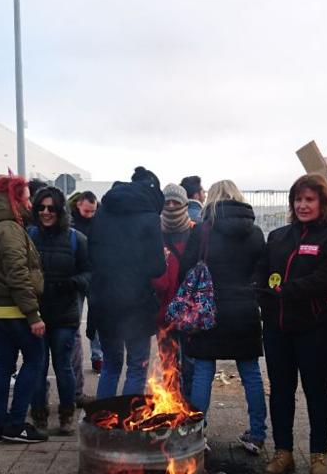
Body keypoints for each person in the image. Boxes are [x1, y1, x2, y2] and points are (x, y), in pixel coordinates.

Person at [258, 174, 327, 474]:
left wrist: (287, 290)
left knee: (317, 392)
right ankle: (283, 452)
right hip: (278, 329)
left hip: (316, 329)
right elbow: (264, 274)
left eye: (309, 199)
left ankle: (318, 454)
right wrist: (264, 296)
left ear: (323, 203)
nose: (303, 205)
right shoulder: (279, 236)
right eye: (298, 199)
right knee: (281, 392)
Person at [178, 181, 267, 452]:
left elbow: (186, 267)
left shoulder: (203, 230)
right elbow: (261, 269)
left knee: (204, 369)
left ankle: (198, 433)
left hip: (209, 309)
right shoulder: (254, 232)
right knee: (250, 372)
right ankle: (257, 435)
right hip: (245, 308)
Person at [0, 174, 48, 444]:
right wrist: (33, 315)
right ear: (14, 198)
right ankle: (15, 424)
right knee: (34, 360)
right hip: (16, 310)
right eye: (26, 197)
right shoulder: (9, 229)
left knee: (3, 366)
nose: (30, 203)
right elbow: (18, 274)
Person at [90, 167, 166, 397]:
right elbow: (157, 268)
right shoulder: (150, 218)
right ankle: (126, 423)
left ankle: (102, 423)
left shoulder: (102, 213)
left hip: (103, 302)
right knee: (136, 366)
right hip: (136, 305)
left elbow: (91, 254)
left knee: (111, 366)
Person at [27, 185, 89, 435]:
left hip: (64, 314)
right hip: (36, 314)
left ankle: (67, 415)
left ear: (60, 210)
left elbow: (89, 272)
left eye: (51, 208)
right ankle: (39, 415)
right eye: (41, 207)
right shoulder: (28, 236)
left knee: (64, 366)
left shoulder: (76, 239)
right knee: (38, 366)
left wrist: (73, 283)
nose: (45, 212)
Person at [153, 183, 196, 400]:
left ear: (184, 204)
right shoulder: (154, 234)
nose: (171, 206)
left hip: (189, 311)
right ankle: (172, 406)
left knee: (190, 364)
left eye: (175, 202)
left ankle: (189, 405)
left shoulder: (195, 232)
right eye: (167, 202)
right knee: (168, 364)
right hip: (163, 311)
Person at [68, 191, 102, 379]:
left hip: (95, 274)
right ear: (78, 204)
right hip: (78, 276)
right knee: (74, 319)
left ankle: (98, 356)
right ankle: (75, 361)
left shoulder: (100, 219)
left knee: (97, 319)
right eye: (87, 211)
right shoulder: (68, 220)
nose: (90, 214)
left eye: (93, 211)